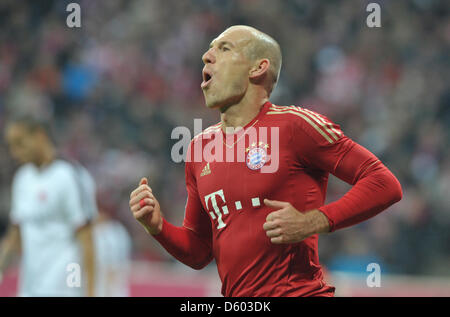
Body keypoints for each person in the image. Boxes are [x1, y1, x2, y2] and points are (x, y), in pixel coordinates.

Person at [129, 25, 402, 297]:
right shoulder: (199, 149)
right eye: (209, 49)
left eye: (224, 48)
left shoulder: (295, 126)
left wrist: (315, 221)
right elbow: (199, 252)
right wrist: (158, 227)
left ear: (257, 68)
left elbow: (384, 183)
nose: (207, 56)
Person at [0, 117, 97, 297]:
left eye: (19, 143)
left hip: (64, 288)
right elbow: (14, 235)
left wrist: (90, 293)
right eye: (11, 146)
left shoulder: (70, 176)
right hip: (29, 288)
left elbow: (87, 239)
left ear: (39, 136)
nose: (14, 152)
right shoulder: (22, 178)